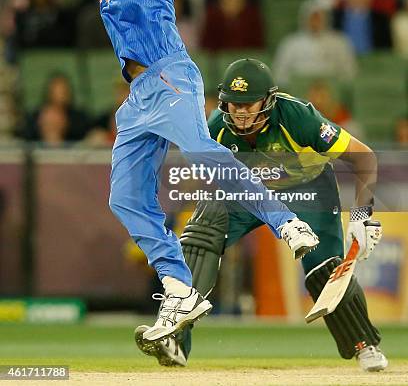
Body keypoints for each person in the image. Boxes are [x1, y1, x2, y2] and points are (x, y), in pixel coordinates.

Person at [29, 0, 319, 343]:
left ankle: (286, 223)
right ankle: (179, 287)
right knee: (124, 198)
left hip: (169, 73)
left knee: (203, 153)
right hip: (138, 94)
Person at [135, 58, 386, 372]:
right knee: (203, 228)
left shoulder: (299, 117)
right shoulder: (215, 129)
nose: (240, 113)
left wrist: (362, 214)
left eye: (248, 105)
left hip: (307, 190)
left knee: (323, 271)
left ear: (268, 101)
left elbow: (364, 158)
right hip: (252, 190)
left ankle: (365, 345)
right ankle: (174, 337)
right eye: (233, 105)